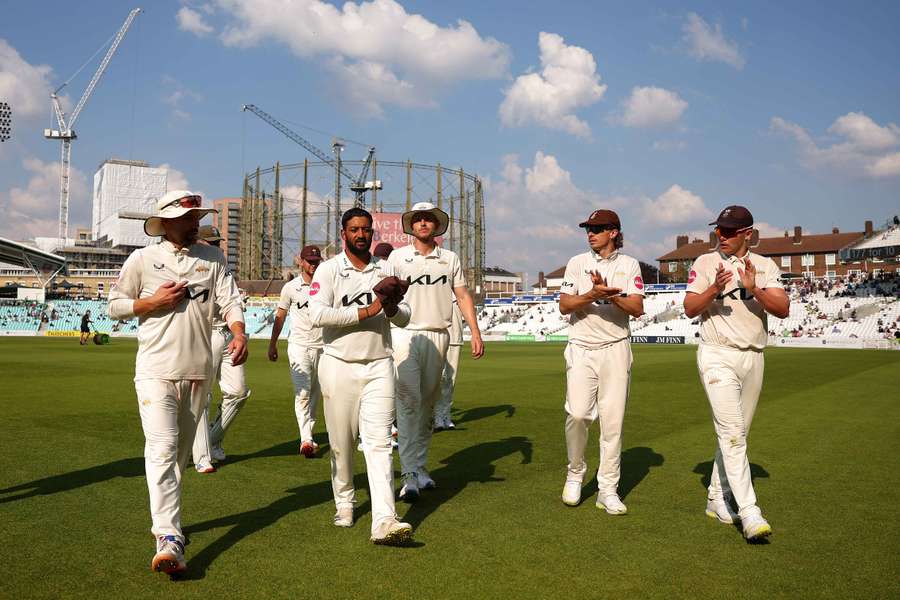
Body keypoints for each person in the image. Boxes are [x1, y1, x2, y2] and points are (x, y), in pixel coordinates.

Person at [108, 190, 247, 574]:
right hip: (155, 370)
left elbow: (230, 300)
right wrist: (151, 304)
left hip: (199, 371)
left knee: (179, 457)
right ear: (166, 221)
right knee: (163, 449)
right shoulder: (142, 260)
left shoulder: (213, 258)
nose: (195, 223)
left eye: (196, 216)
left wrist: (238, 331)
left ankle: (170, 524)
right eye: (188, 217)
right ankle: (168, 536)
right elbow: (115, 306)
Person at [683, 205, 789, 541]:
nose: (721, 237)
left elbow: (783, 309)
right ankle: (750, 512)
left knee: (735, 433)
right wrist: (714, 288)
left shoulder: (765, 266)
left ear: (748, 233)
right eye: (719, 230)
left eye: (729, 232)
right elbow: (689, 309)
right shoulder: (704, 263)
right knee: (732, 432)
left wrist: (753, 288)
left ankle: (716, 496)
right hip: (717, 355)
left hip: (754, 356)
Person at [308, 207, 414, 545]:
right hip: (338, 364)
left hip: (379, 364)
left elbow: (406, 318)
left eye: (366, 229)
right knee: (341, 445)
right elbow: (317, 314)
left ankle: (385, 519)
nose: (361, 235)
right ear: (343, 234)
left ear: (372, 233)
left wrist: (393, 305)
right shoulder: (327, 270)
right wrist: (369, 310)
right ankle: (344, 499)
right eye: (354, 229)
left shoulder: (386, 268)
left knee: (380, 444)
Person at [388, 201, 485, 502]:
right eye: (418, 219)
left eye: (428, 219)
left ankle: (420, 467)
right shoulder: (397, 257)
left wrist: (475, 331)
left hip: (438, 334)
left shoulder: (450, 259)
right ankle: (407, 475)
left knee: (429, 405)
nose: (423, 224)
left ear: (436, 225)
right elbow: (386, 295)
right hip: (404, 334)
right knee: (408, 400)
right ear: (411, 225)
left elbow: (462, 294)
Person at [558, 209, 644, 515]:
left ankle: (608, 489)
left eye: (597, 228)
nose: (590, 233)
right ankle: (575, 471)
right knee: (579, 414)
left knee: (612, 423)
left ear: (614, 232)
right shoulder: (577, 263)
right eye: (588, 229)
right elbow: (564, 305)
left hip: (615, 348)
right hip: (581, 346)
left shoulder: (629, 264)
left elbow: (636, 307)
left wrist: (612, 296)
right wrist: (592, 293)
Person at [191, 225, 251, 473]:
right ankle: (202, 456)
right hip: (204, 334)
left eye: (218, 243)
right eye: (211, 243)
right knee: (201, 397)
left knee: (238, 393)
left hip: (227, 335)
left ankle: (213, 440)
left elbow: (232, 301)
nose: (217, 247)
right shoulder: (193, 268)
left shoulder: (222, 267)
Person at [268, 245, 324, 457]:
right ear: (301, 261)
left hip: (323, 346)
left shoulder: (326, 285)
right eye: (309, 261)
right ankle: (306, 439)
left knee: (316, 394)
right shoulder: (291, 287)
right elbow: (280, 316)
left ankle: (308, 434)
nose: (313, 264)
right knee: (303, 393)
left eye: (316, 261)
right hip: (299, 345)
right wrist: (272, 344)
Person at [433, 299, 463, 431]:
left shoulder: (459, 286)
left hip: (455, 338)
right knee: (438, 379)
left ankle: (445, 415)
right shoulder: (436, 283)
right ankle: (436, 416)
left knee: (450, 381)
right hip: (437, 336)